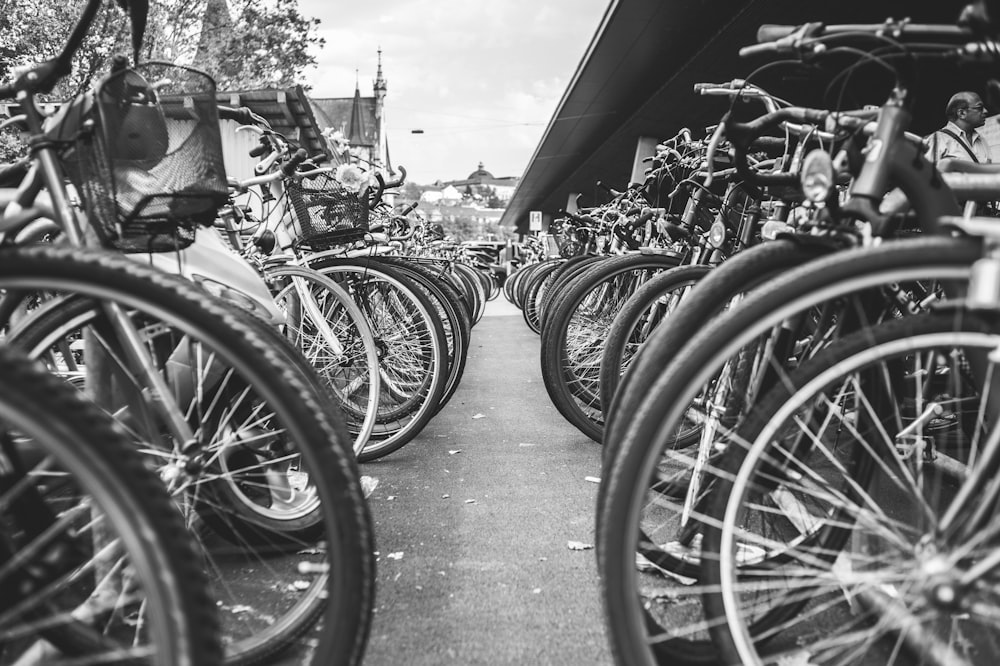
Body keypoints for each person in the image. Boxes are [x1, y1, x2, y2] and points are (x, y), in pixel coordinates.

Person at [926, 91, 993, 164]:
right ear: (962, 113)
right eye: (979, 108)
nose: (986, 111)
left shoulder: (981, 140)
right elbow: (925, 172)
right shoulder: (937, 140)